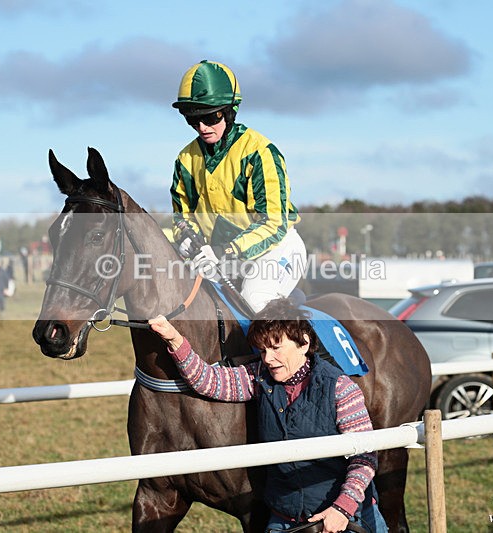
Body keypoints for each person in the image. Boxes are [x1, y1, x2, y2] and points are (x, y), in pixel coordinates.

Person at [149, 298, 387, 533]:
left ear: (303, 343)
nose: (268, 359)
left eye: (275, 348)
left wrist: (342, 509)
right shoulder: (258, 377)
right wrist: (174, 339)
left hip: (345, 517)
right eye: (263, 350)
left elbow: (365, 458)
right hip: (286, 519)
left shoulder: (341, 388)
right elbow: (208, 381)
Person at [170, 60, 307, 313]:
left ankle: (308, 351)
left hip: (276, 250)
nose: (202, 127)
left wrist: (227, 251)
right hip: (219, 256)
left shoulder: (260, 152)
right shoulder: (185, 160)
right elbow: (182, 217)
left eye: (211, 116)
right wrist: (187, 237)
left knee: (254, 301)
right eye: (193, 119)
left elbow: (274, 223)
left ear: (230, 110)